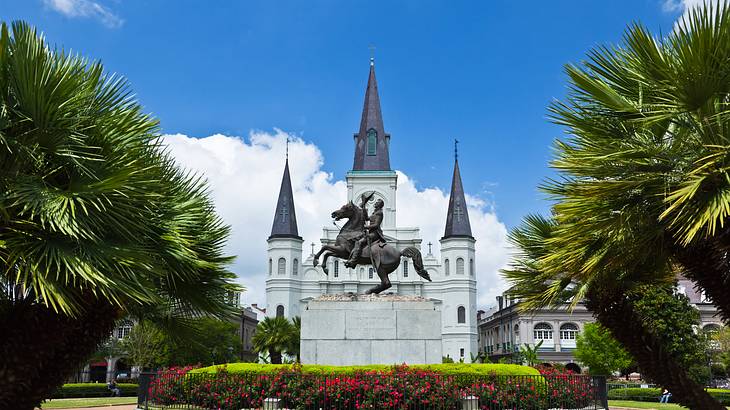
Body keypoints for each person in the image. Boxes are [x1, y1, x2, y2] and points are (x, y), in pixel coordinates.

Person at [345, 193, 386, 268]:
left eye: (377, 202)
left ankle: (353, 261)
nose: (376, 203)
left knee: (359, 242)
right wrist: (363, 206)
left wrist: (366, 227)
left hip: (375, 233)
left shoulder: (379, 213)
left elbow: (376, 225)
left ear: (380, 205)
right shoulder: (375, 213)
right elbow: (367, 218)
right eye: (376, 202)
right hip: (370, 232)